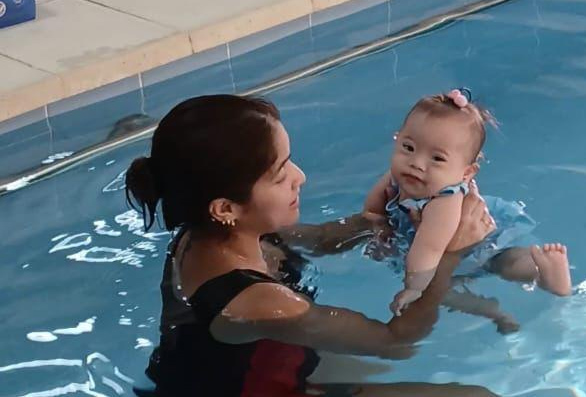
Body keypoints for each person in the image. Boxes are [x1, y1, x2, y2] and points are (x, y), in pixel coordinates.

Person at [125, 94, 497, 397]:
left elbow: (322, 239)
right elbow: (397, 342)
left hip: (246, 370)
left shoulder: (210, 231)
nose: (300, 177)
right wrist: (450, 255)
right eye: (280, 174)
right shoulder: (259, 303)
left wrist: (387, 218)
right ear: (225, 208)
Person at [364, 90, 571, 320]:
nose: (417, 163)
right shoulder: (399, 174)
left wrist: (413, 287)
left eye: (437, 158)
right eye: (409, 147)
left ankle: (542, 272)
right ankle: (492, 311)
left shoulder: (444, 202)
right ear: (397, 139)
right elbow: (372, 209)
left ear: (467, 173)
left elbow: (428, 250)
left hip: (482, 241)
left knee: (504, 262)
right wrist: (379, 227)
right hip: (439, 247)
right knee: (446, 291)